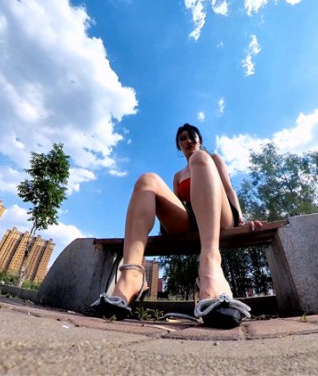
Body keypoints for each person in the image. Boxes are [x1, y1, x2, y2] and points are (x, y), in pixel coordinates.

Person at [91, 123, 262, 329]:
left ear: (200, 140)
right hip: (190, 219)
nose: (188, 141)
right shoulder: (178, 176)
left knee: (200, 158)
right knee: (147, 180)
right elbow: (178, 204)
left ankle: (211, 266)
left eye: (192, 136)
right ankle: (132, 275)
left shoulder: (211, 159)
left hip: (219, 217)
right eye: (182, 138)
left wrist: (242, 219)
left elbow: (228, 189)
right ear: (178, 146)